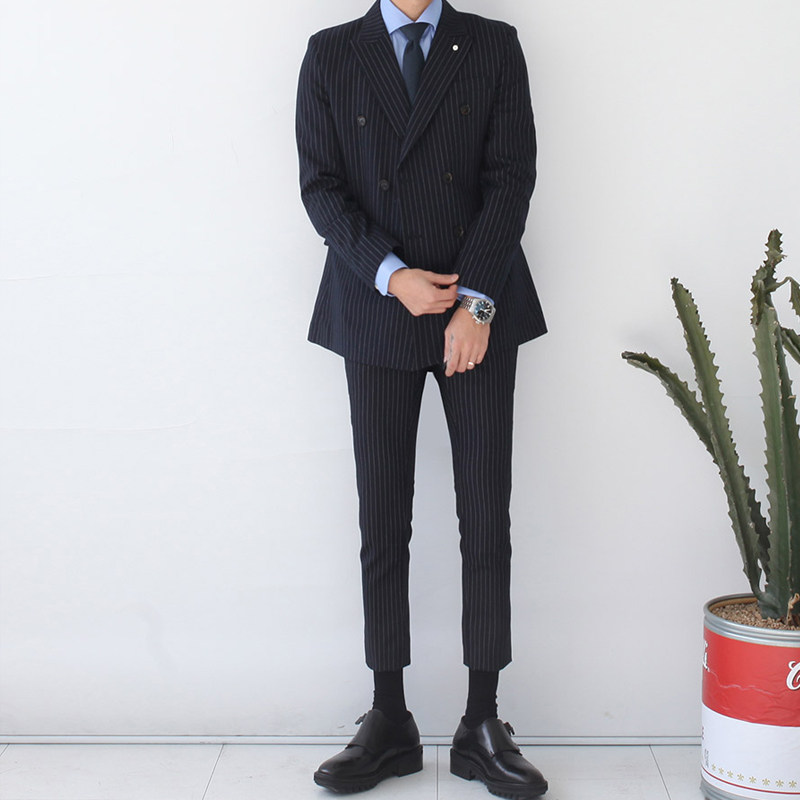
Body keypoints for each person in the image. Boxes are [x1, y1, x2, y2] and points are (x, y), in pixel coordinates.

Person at [295, 0, 548, 796]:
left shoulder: (493, 45)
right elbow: (321, 186)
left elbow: (511, 178)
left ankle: (482, 720)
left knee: (485, 517)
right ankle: (388, 718)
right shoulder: (332, 53)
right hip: (376, 309)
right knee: (382, 520)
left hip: (479, 309)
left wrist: (477, 303)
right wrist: (390, 274)